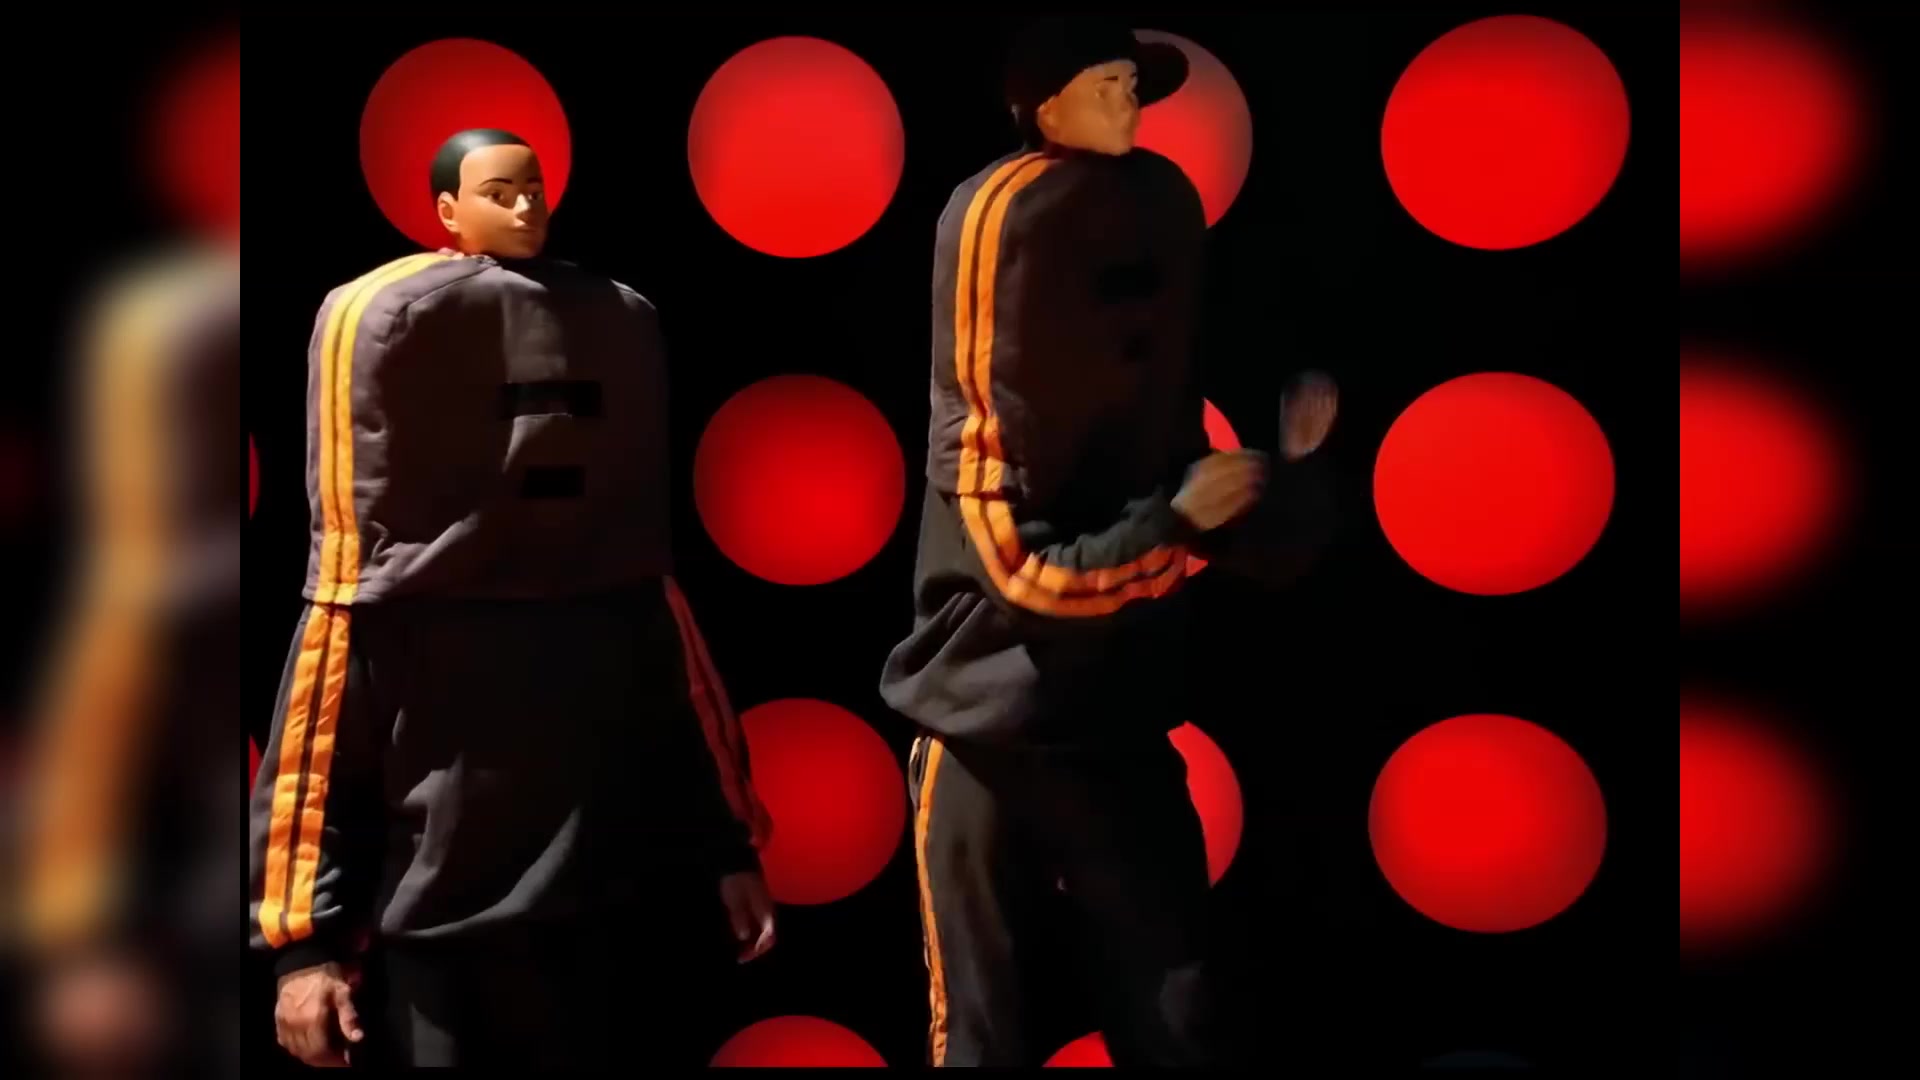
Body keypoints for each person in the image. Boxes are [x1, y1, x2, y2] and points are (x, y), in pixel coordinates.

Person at [246, 129, 776, 1069]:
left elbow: (682, 710)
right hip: (441, 942)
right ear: (447, 211)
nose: (527, 207)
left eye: (535, 188)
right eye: (500, 192)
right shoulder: (382, 601)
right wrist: (302, 950)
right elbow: (314, 758)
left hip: (611, 925)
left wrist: (727, 852)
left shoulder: (623, 580)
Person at [879, 18, 1337, 1068]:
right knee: (980, 1036)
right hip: (985, 719)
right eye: (1106, 83)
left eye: (1134, 83)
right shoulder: (1000, 214)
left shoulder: (1159, 207)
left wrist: (1279, 488)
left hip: (1116, 712)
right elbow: (1020, 572)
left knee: (1179, 1013)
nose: (1130, 103)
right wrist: (1177, 521)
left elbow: (1195, 481)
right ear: (1042, 107)